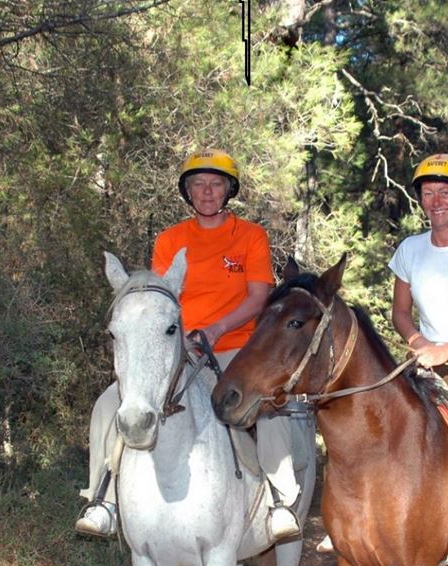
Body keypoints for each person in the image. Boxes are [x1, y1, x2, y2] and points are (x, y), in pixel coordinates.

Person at [76, 148, 308, 545]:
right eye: (198, 184)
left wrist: (215, 330)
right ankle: (104, 499)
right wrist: (176, 339)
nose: (207, 191)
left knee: (266, 406)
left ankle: (279, 500)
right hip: (181, 348)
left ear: (228, 190)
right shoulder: (171, 240)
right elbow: (160, 300)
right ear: (187, 191)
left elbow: (258, 297)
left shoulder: (251, 237)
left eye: (216, 184)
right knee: (107, 403)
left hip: (237, 346)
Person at [317, 153, 448, 566]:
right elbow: (400, 312)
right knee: (359, 418)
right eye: (428, 193)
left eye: (444, 193)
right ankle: (348, 520)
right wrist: (417, 341)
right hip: (421, 361)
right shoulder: (410, 250)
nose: (435, 201)